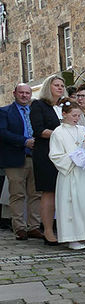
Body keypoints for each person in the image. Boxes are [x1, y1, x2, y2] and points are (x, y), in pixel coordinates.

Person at [48, 99, 85, 250]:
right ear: (64, 114)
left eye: (78, 115)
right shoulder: (58, 133)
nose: (76, 118)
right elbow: (55, 155)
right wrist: (72, 158)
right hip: (71, 173)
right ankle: (73, 237)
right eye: (73, 115)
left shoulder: (82, 130)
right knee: (73, 204)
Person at [0, 83, 41, 239]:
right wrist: (24, 141)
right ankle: (19, 228)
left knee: (35, 193)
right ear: (14, 93)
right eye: (21, 93)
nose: (24, 95)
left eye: (27, 93)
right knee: (17, 194)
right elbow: (2, 132)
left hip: (35, 157)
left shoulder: (35, 111)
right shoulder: (4, 112)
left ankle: (34, 226)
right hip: (15, 158)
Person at [31, 74, 66, 245]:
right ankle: (47, 231)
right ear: (48, 87)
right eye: (56, 85)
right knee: (49, 191)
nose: (60, 88)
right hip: (46, 153)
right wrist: (62, 135)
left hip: (64, 154)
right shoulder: (38, 105)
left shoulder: (63, 106)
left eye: (62, 85)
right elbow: (39, 130)